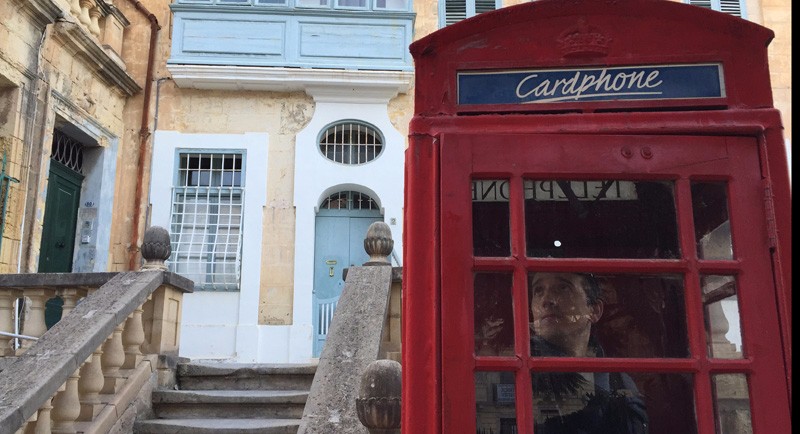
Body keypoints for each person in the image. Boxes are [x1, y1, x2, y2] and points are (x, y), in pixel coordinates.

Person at [529, 272, 649, 434]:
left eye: (563, 288)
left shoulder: (620, 381)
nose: (546, 301)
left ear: (594, 310)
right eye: (538, 291)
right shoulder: (522, 374)